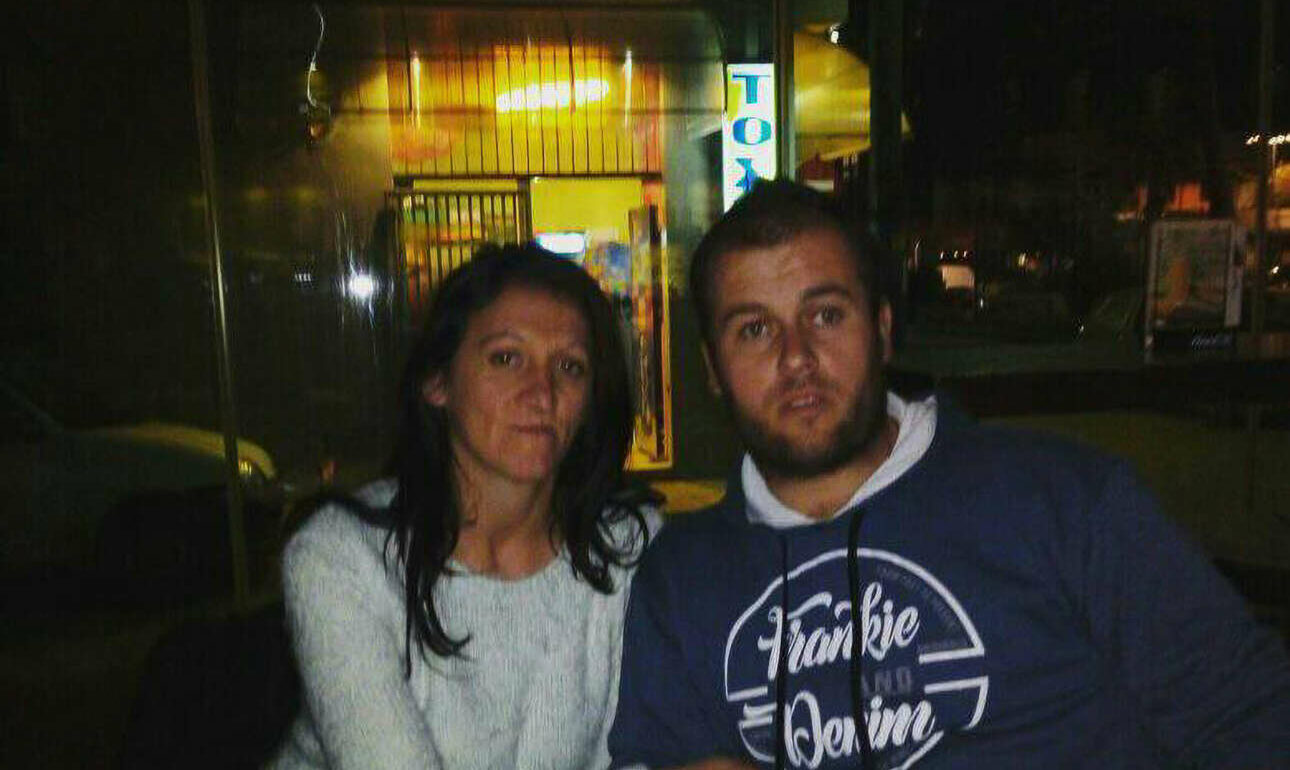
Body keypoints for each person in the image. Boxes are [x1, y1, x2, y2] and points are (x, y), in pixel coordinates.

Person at [608, 180, 1290, 769]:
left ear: (882, 329)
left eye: (826, 315)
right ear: (712, 369)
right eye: (754, 329)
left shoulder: (1061, 499)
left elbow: (1249, 717)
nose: (796, 357)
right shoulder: (682, 579)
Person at [270, 243, 657, 770]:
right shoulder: (342, 555)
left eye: (570, 367)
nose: (542, 393)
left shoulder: (629, 548)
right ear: (438, 381)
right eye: (506, 358)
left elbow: (646, 750)